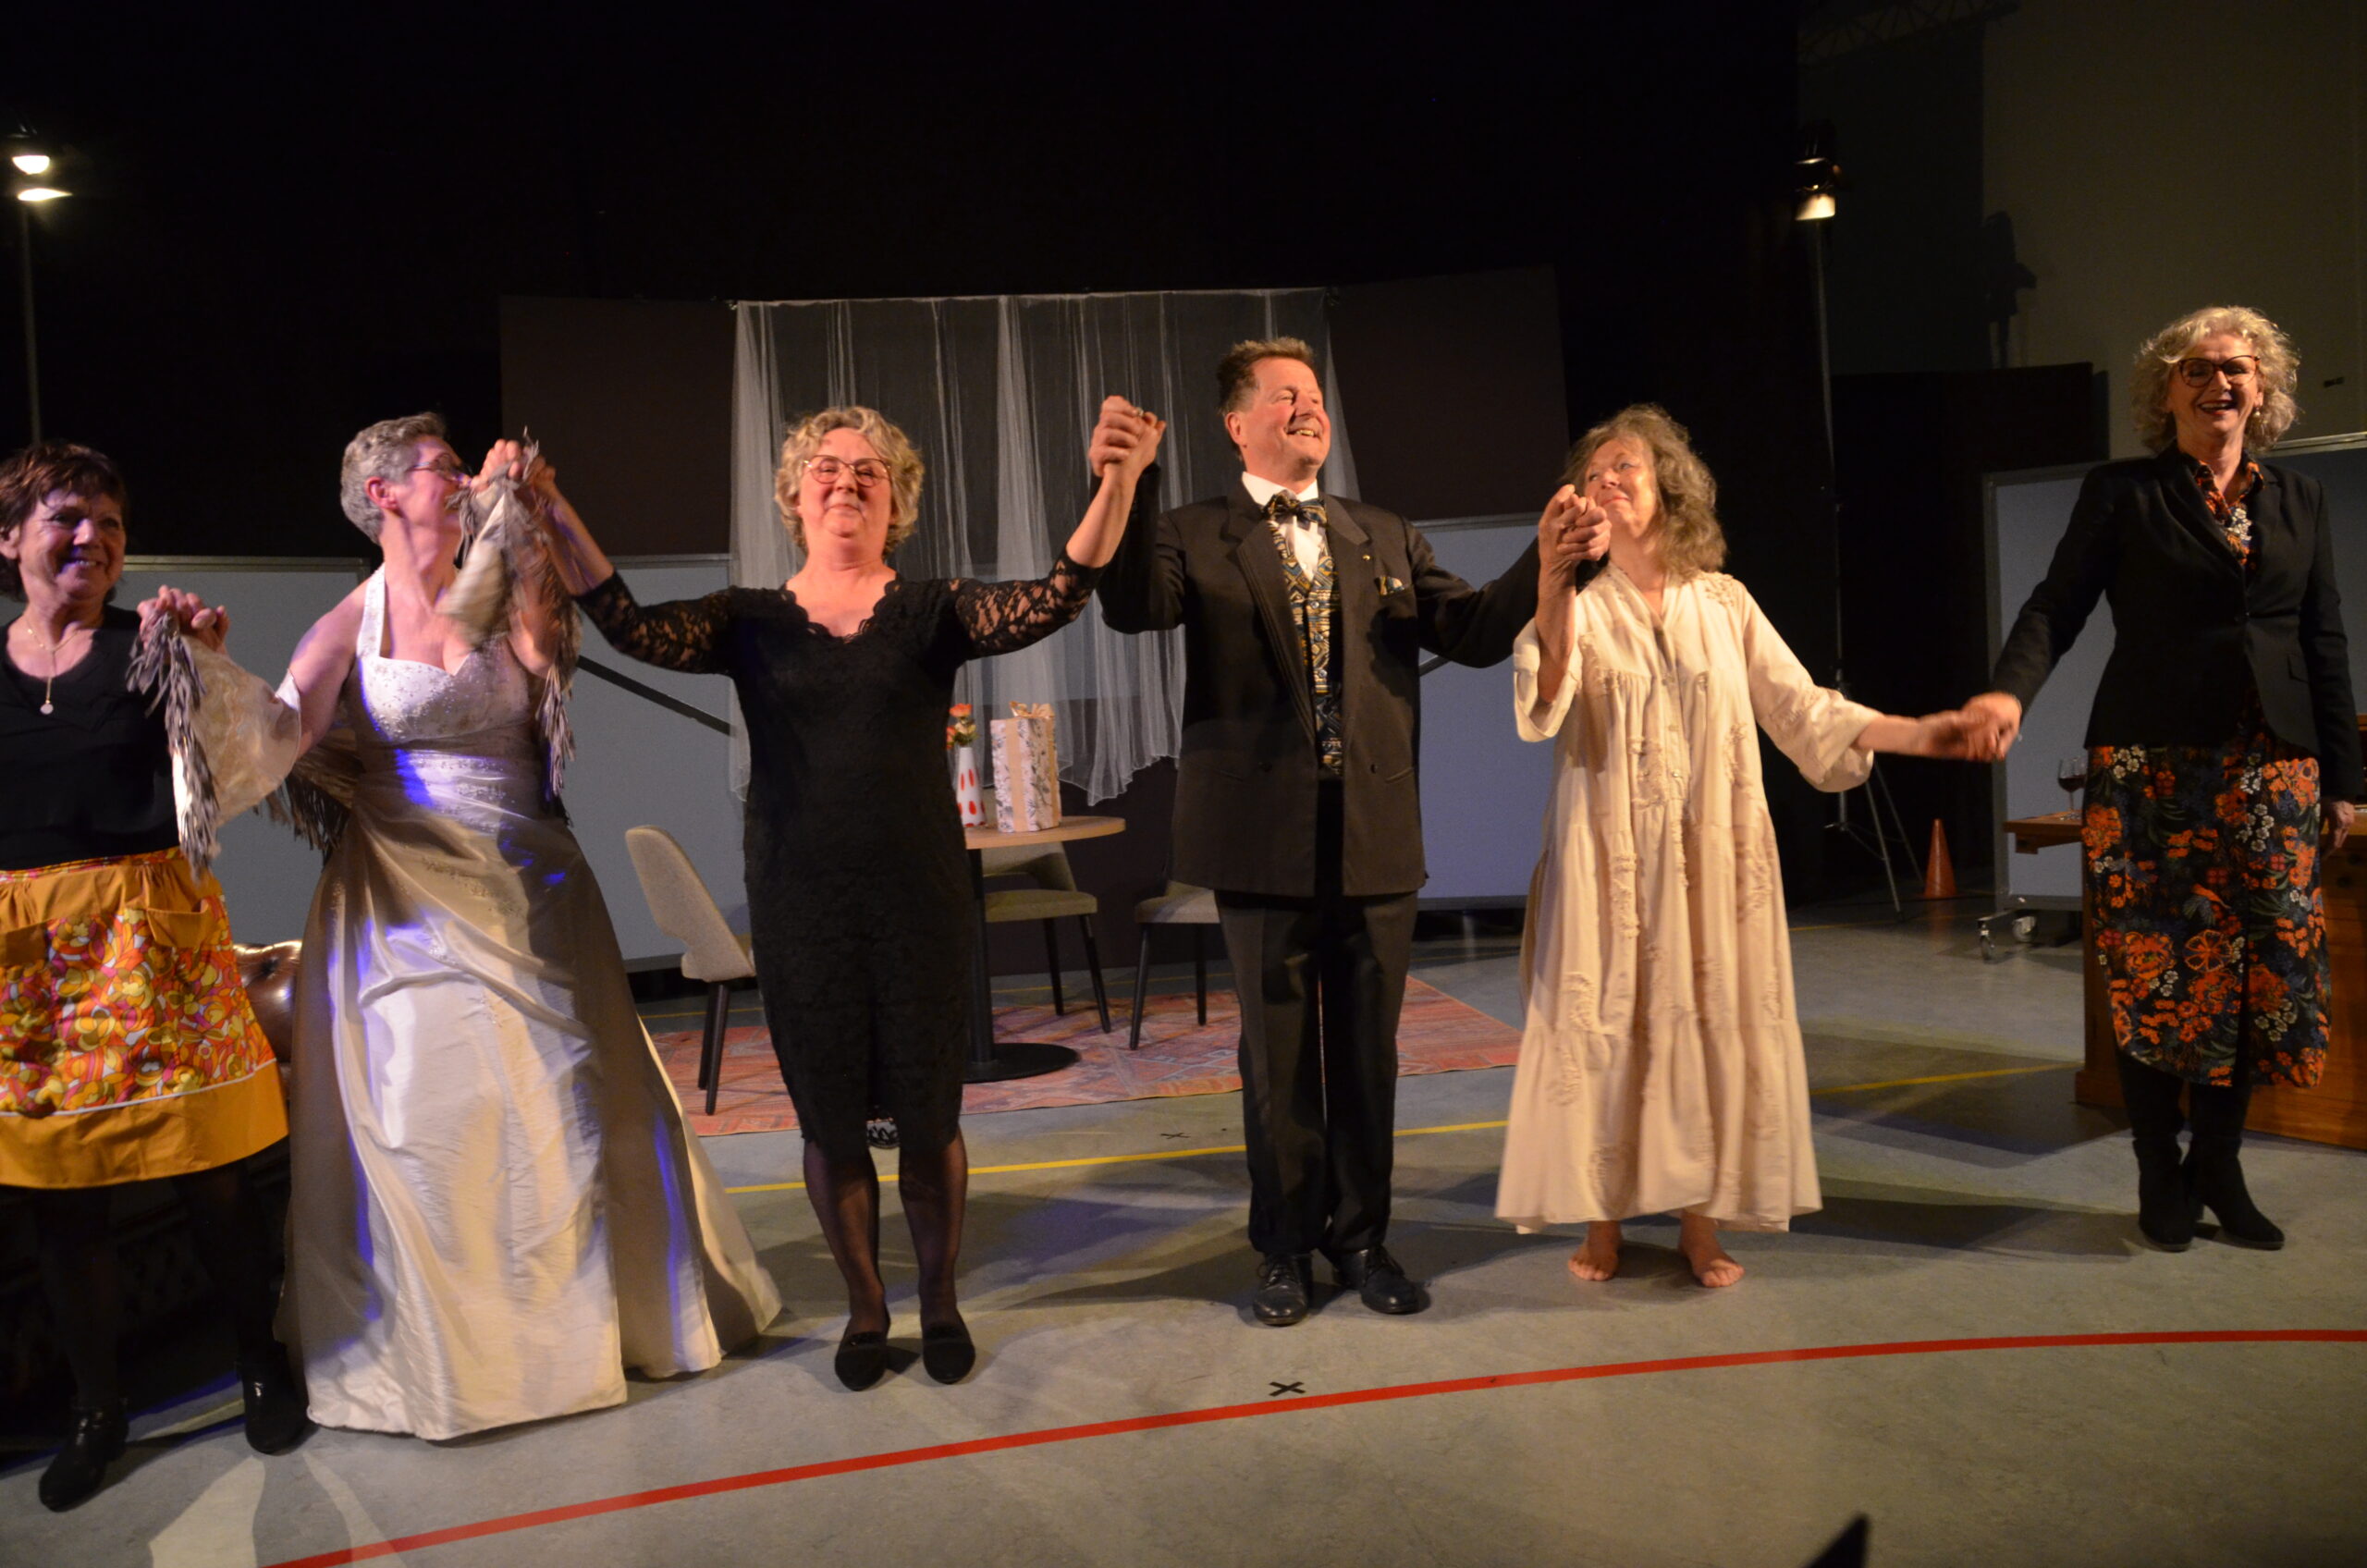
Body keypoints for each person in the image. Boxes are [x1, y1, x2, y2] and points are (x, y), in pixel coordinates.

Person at [534, 399, 1164, 1390]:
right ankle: (868, 1309)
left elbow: (1057, 595)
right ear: (795, 496)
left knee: (929, 1115)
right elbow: (627, 624)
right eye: (827, 467)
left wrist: (1117, 481)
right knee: (829, 1122)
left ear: (895, 501)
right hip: (801, 904)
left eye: (870, 470)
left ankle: (940, 1298)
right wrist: (550, 508)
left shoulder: (931, 610)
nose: (847, 481)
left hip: (918, 901)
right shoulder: (747, 620)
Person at [270, 414, 780, 1440]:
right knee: (432, 1118)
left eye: (463, 464)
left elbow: (539, 652)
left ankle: (588, 1330)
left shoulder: (500, 581)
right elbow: (280, 738)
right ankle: (464, 1353)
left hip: (530, 883)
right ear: (382, 494)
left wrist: (521, 523)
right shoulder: (344, 626)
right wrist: (197, 673)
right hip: (404, 900)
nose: (460, 476)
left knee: (563, 1101)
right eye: (440, 467)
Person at [1092, 339, 1538, 1326]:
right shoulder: (1191, 531)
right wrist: (1128, 484)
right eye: (1285, 395)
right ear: (1236, 422)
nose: (1308, 408)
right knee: (1278, 1063)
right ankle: (1284, 1248)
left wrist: (1549, 557)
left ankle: (1363, 1240)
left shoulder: (1381, 533)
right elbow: (1131, 607)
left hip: (1374, 835)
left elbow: (1471, 634)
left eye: (1314, 395)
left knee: (1369, 1059)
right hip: (1259, 839)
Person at [1495, 406, 1979, 1285]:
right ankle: (1601, 1220)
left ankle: (1700, 1222)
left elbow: (1803, 710)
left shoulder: (1724, 602)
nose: (1607, 478)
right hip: (1609, 855)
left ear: (1668, 488)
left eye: (1625, 465)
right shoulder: (1580, 605)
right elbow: (1545, 700)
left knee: (1710, 1020)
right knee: (1605, 1025)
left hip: (1712, 858)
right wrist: (1553, 578)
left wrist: (1920, 733)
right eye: (1593, 471)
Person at [1967, 305, 2359, 1253]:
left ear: (2262, 388)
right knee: (2157, 969)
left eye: (2237, 369)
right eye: (2198, 369)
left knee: (2257, 975)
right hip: (2153, 771)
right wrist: (2010, 691)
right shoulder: (2123, 492)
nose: (2219, 383)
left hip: (2273, 772)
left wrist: (2345, 781)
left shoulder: (2299, 498)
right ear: (2167, 390)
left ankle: (2217, 1165)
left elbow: (2323, 640)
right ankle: (2156, 1165)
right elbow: (2055, 606)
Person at [0, 441, 309, 1509]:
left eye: (110, 522)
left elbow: (253, 760)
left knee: (210, 1171)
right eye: (66, 518)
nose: (92, 537)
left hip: (152, 934)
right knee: (63, 1194)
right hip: (32, 961)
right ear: (10, 539)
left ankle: (260, 1365)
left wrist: (210, 665)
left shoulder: (155, 647)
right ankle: (99, 1411)